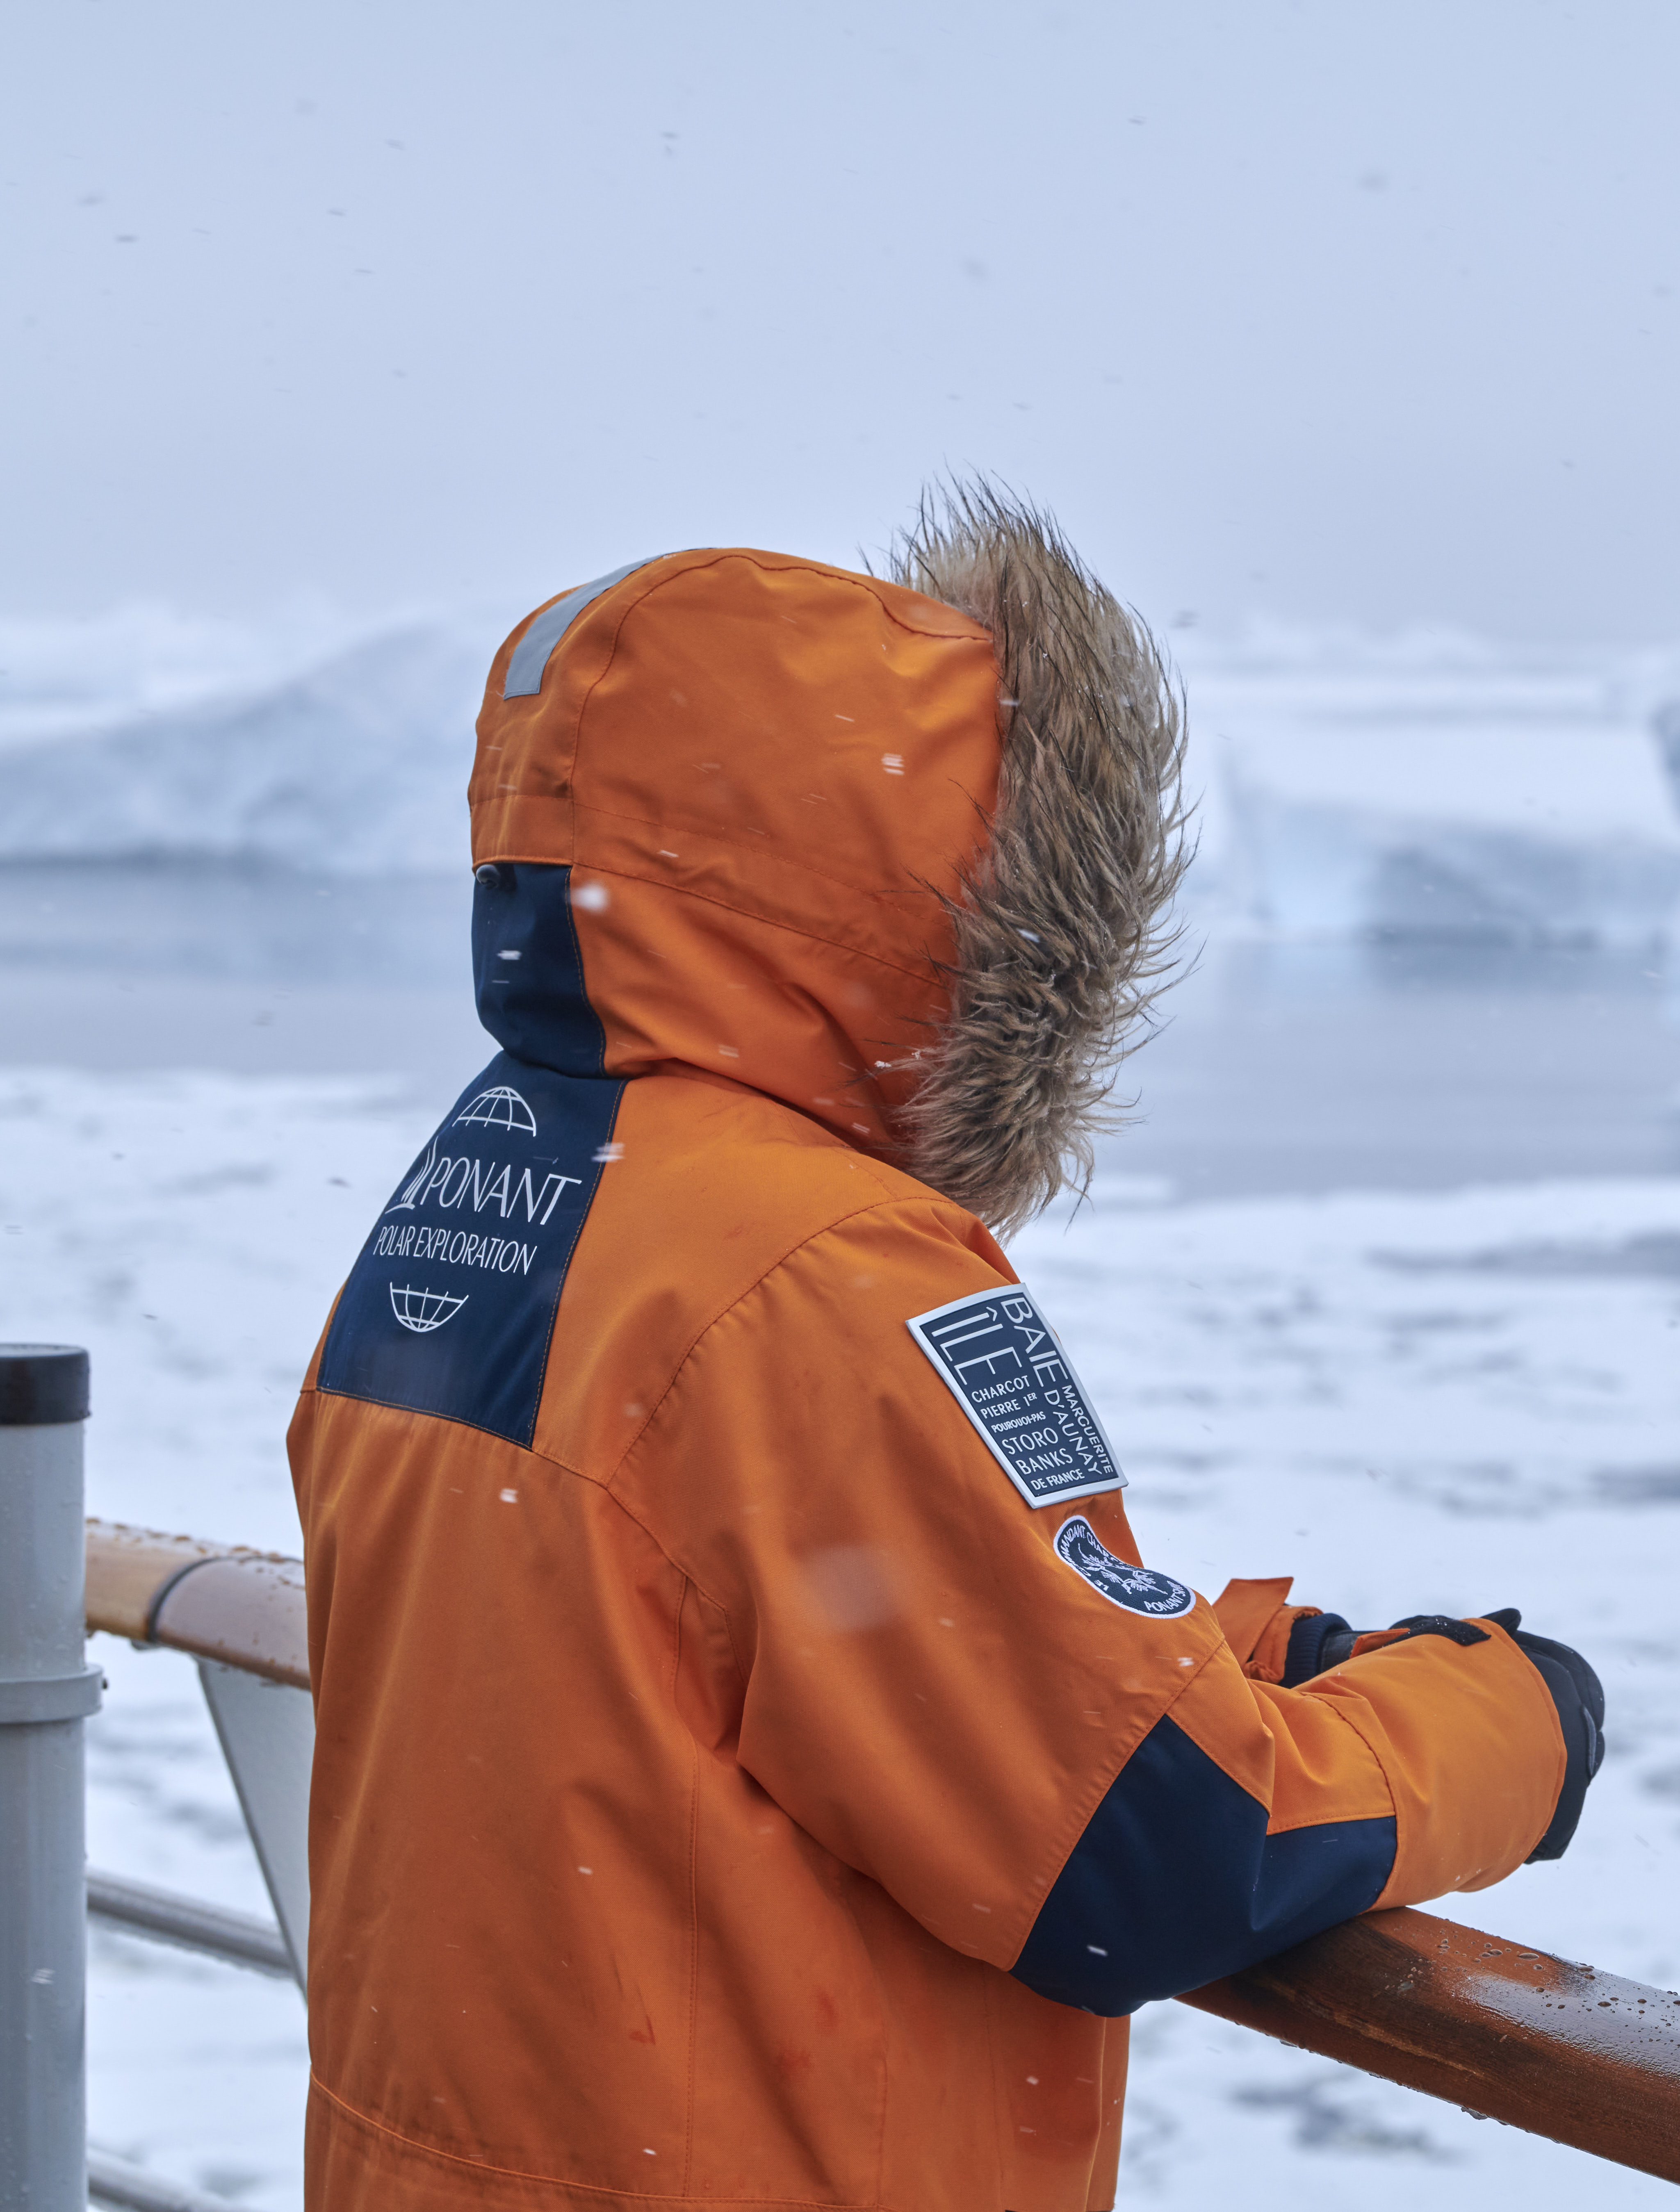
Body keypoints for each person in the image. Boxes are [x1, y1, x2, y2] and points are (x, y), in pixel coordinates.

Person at [287, 485, 1604, 2212]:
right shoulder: (820, 1273)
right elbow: (1147, 1850)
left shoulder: (499, 1183)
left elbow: (714, 1643)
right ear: (953, 885)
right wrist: (1514, 1712)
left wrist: (1247, 1655)